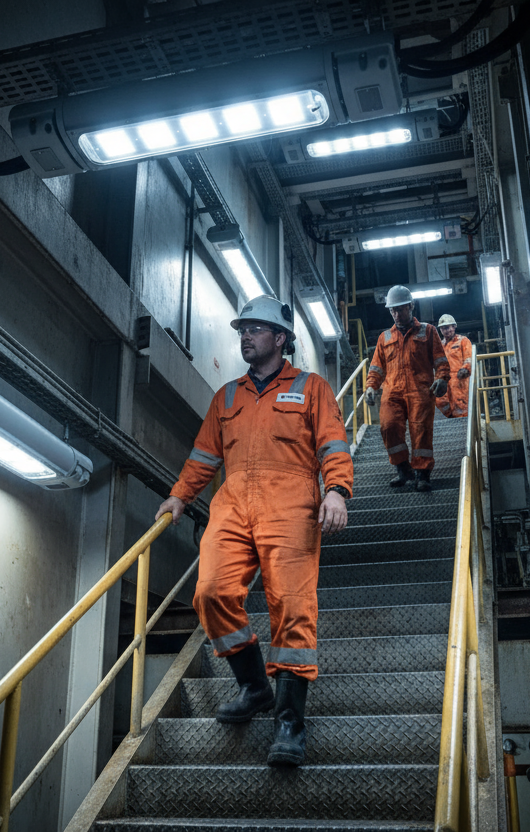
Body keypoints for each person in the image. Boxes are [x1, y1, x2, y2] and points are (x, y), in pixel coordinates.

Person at [156, 294, 353, 767]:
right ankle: (254, 686)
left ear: (279, 338)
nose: (245, 335)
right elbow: (205, 455)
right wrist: (180, 495)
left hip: (291, 507)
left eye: (255, 329)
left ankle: (289, 722)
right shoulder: (226, 396)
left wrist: (337, 491)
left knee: (292, 606)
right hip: (233, 504)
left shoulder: (311, 388)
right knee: (210, 592)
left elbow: (331, 442)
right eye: (242, 329)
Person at [365, 286, 450, 492]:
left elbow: (441, 361)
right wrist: (370, 386)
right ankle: (403, 470)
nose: (396, 314)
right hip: (392, 391)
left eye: (400, 309)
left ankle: (422, 474)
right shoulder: (384, 338)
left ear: (411, 306)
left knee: (420, 431)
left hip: (420, 390)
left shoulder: (428, 331)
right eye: (392, 310)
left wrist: (442, 379)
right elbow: (376, 367)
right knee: (388, 426)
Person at [435, 313, 473, 418]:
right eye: (443, 329)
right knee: (440, 401)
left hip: (459, 379)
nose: (446, 331)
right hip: (444, 380)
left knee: (460, 402)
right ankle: (450, 417)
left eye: (447, 327)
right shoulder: (440, 346)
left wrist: (465, 369)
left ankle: (463, 422)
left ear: (454, 326)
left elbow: (468, 357)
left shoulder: (463, 341)